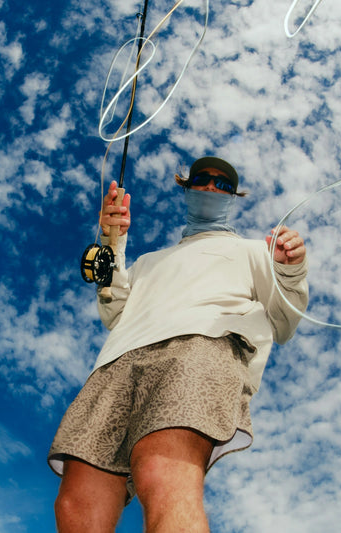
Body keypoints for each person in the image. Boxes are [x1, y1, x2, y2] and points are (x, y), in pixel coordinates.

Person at [48, 156, 308, 533]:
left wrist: (289, 269)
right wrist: (112, 241)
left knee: (162, 472)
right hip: (116, 362)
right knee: (75, 504)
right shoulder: (148, 262)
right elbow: (114, 310)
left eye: (223, 185)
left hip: (201, 347)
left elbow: (286, 321)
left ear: (233, 197)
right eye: (202, 179)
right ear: (186, 187)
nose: (212, 187)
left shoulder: (257, 251)